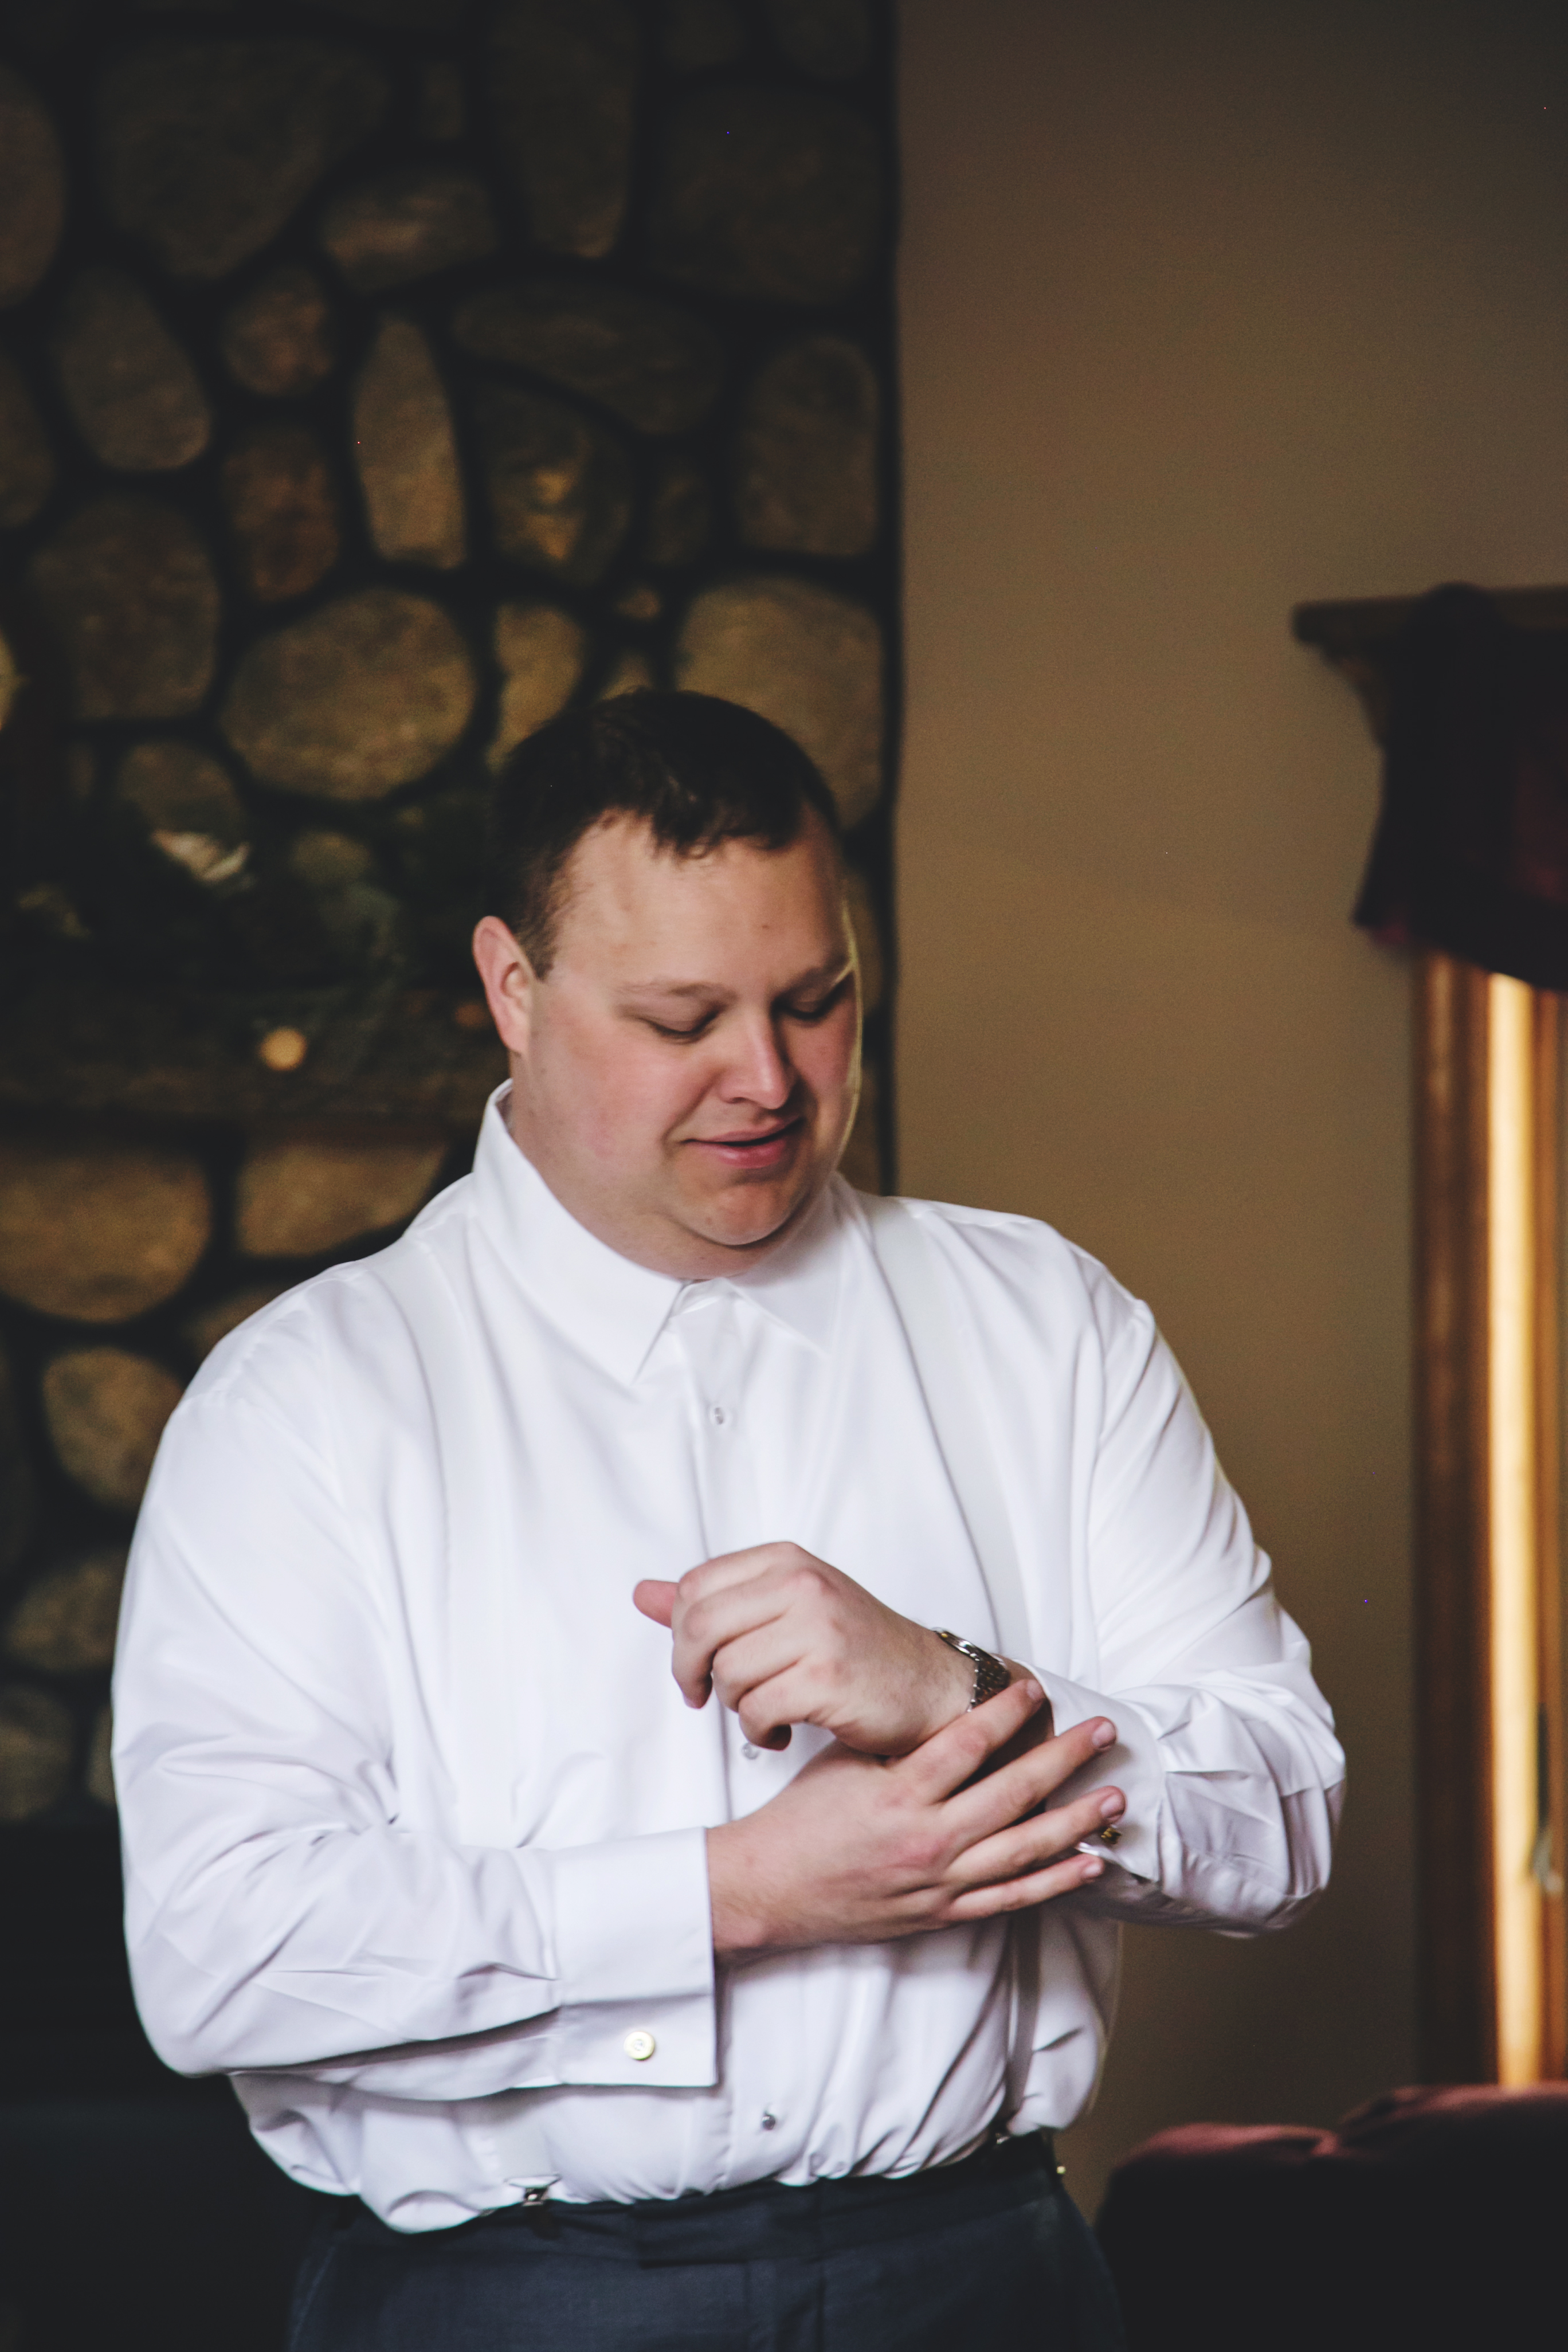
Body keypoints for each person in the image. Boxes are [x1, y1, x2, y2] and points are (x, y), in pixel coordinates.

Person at [113, 691, 1344, 2352]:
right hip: (503, 2306)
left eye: (814, 1001)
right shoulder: (305, 1401)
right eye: (682, 1017)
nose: (765, 1079)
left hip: (990, 2278)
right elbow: (224, 1956)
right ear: (513, 989)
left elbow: (1285, 1827)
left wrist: (961, 1693)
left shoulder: (1049, 1325)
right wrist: (735, 1893)